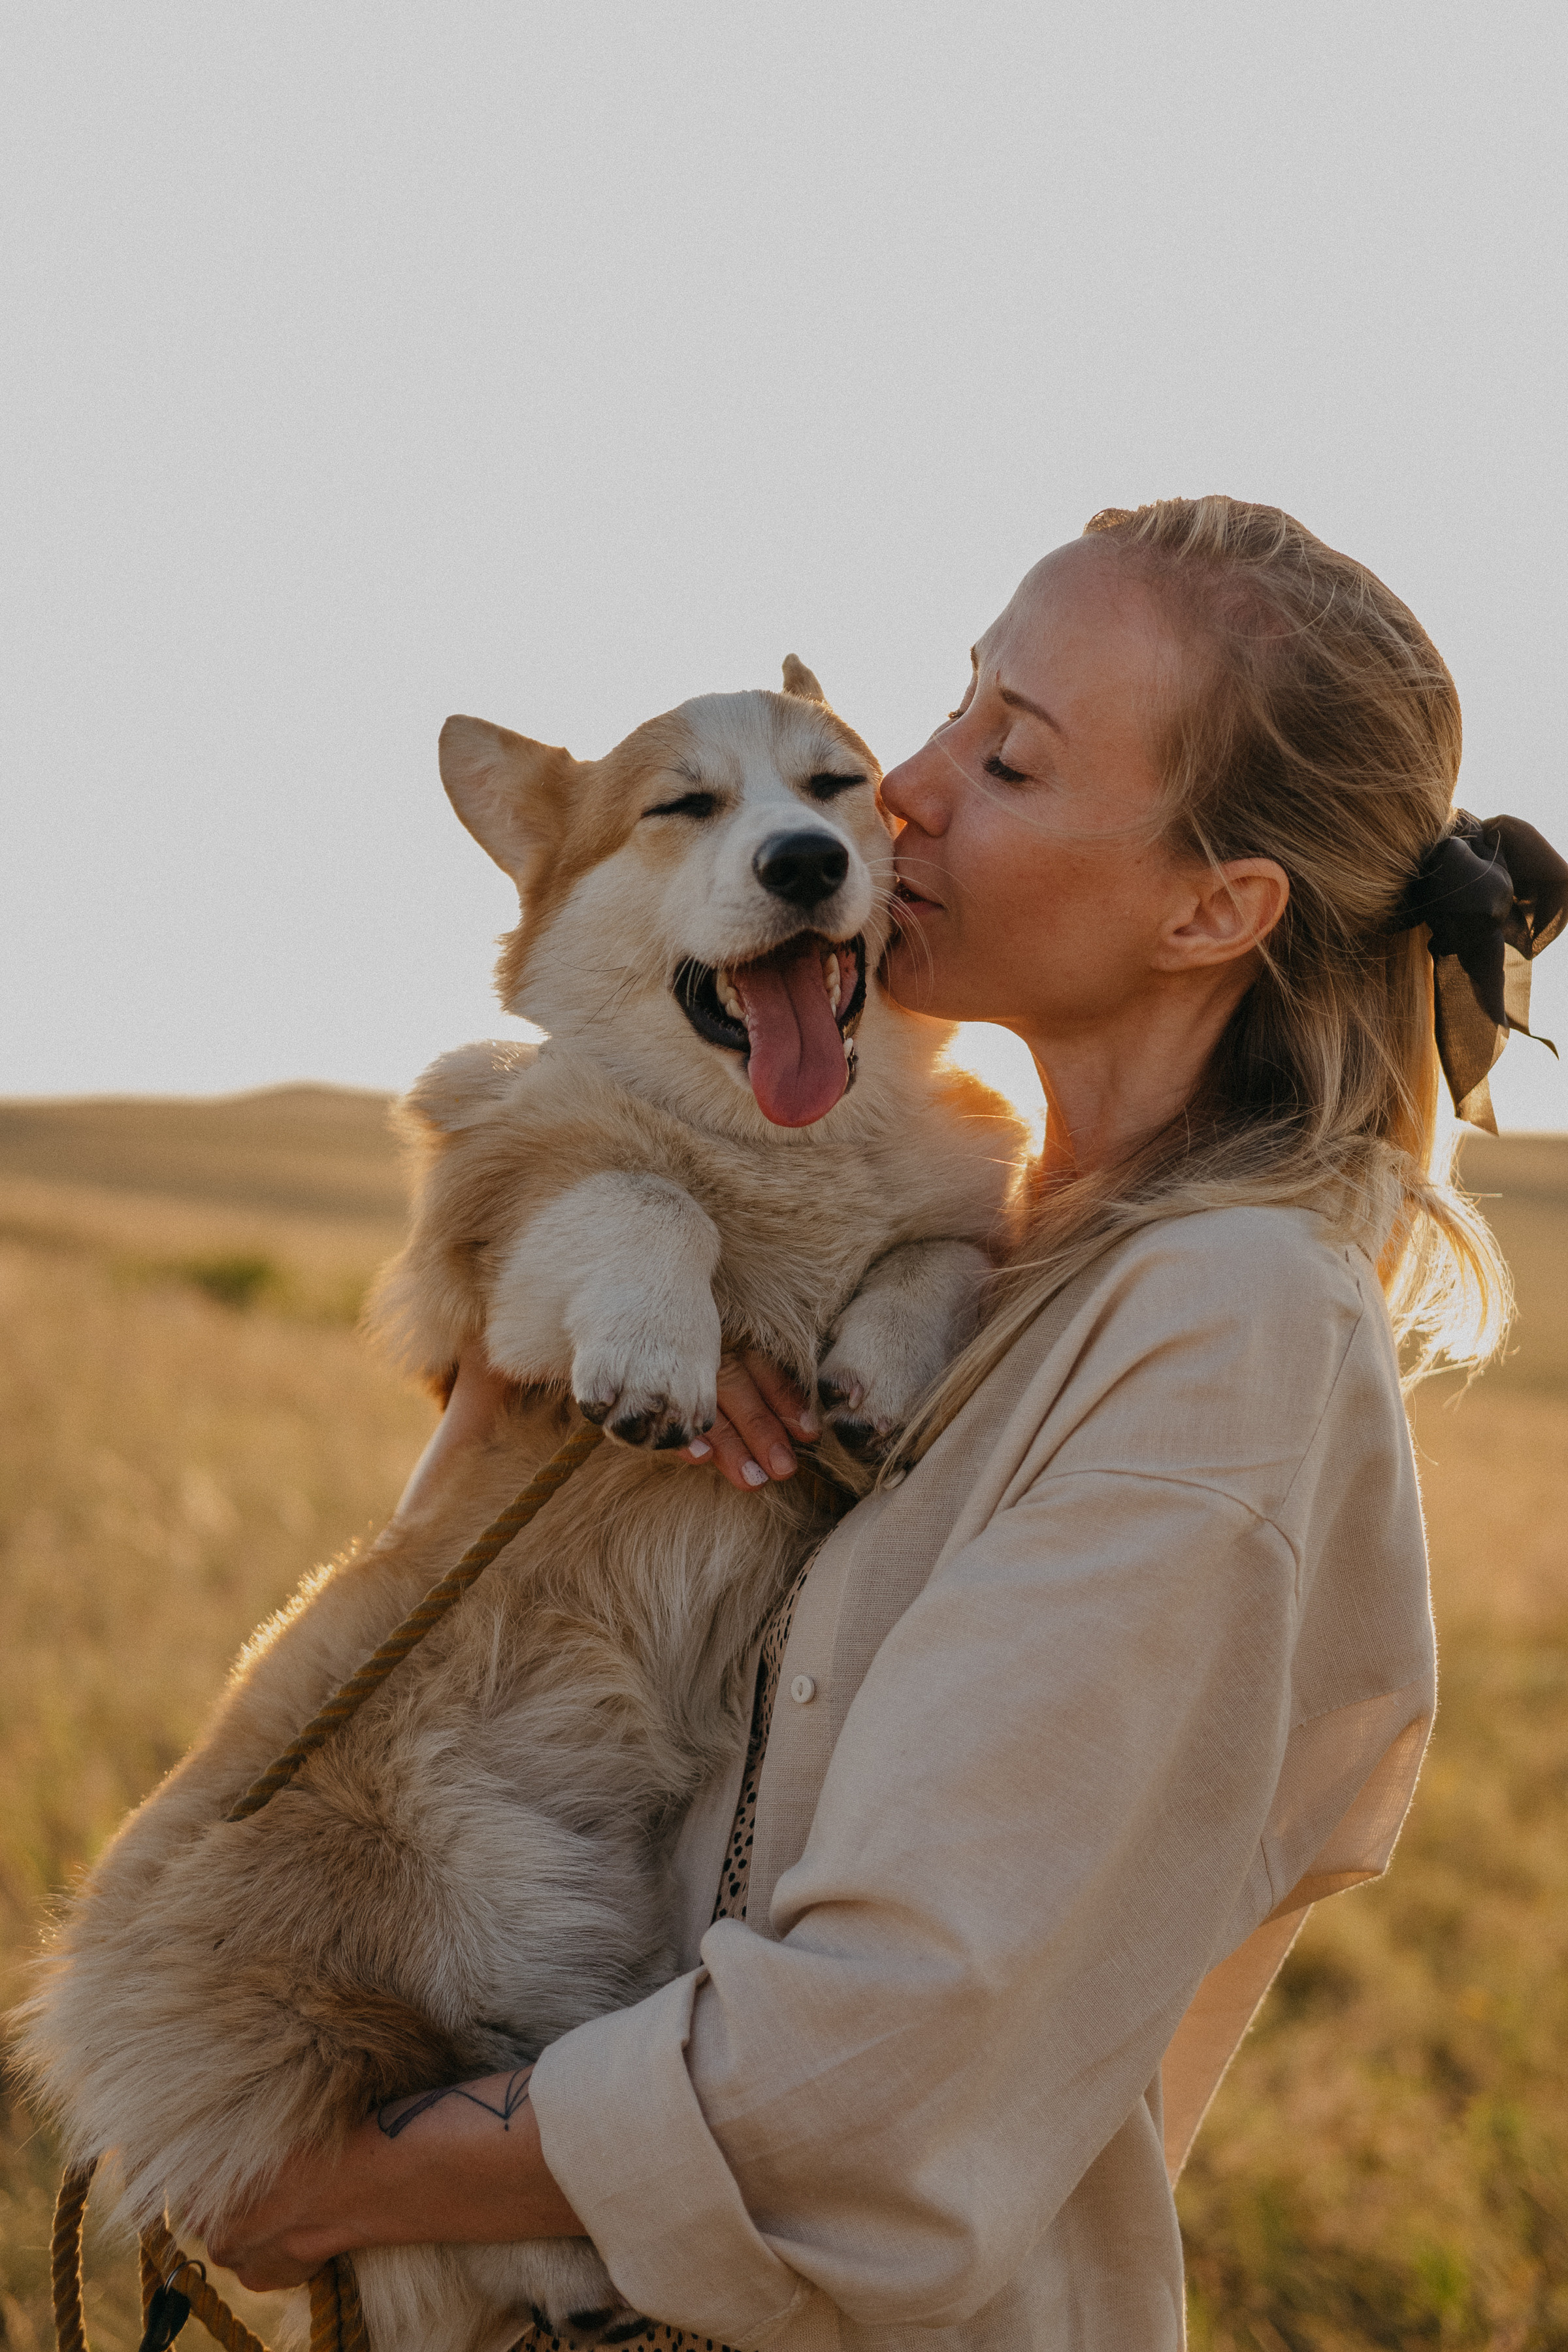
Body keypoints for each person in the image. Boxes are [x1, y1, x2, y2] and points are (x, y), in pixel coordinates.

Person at [207, 498, 1567, 2349]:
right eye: (938, 717)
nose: (899, 799)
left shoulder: (1226, 1330)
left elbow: (876, 2048)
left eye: (1004, 754)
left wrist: (341, 2181)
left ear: (1213, 908)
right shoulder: (1017, 1263)